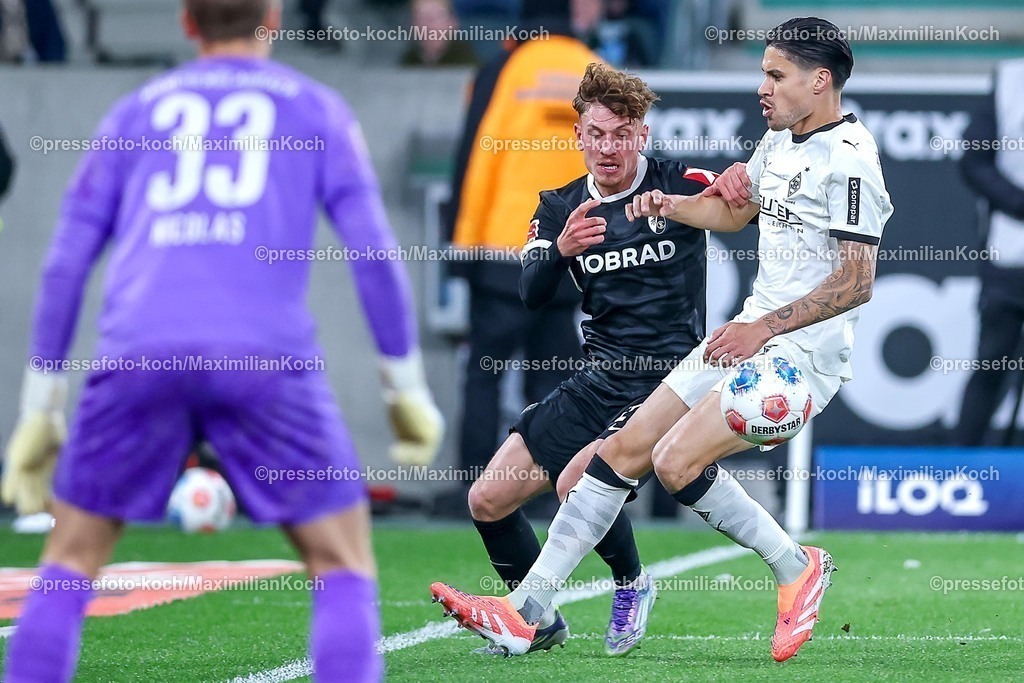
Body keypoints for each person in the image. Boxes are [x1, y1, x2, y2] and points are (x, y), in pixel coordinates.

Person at [0, 1, 443, 681]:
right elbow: (375, 252)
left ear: (186, 22)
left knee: (70, 558)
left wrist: (39, 403)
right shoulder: (314, 107)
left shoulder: (136, 110)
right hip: (263, 359)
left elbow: (65, 260)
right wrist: (403, 384)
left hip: (137, 355)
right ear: (274, 18)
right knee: (341, 560)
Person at [431, 16, 893, 663]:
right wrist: (666, 207)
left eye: (775, 74)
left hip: (799, 358)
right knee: (621, 453)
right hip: (733, 341)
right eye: (763, 71)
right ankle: (526, 609)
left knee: (672, 459)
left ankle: (794, 565)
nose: (762, 86)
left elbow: (856, 280)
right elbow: (732, 211)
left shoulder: (850, 160)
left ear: (820, 81)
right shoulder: (778, 142)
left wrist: (762, 324)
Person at [460, 61, 721, 657]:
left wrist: (740, 188)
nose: (608, 148)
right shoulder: (559, 208)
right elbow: (531, 292)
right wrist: (558, 251)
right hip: (597, 376)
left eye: (621, 134)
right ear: (578, 135)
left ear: (642, 136)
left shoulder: (678, 181)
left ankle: (631, 583)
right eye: (596, 134)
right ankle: (540, 619)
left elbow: (742, 197)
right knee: (487, 499)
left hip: (670, 383)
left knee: (580, 478)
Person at [439, 0, 593, 513]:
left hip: (502, 252)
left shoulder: (503, 69)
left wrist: (457, 248)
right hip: (569, 254)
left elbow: (472, 158)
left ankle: (475, 488)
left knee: (484, 370)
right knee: (553, 377)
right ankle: (545, 493)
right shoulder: (599, 73)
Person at [954, 57, 1024, 446]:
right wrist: (1019, 203)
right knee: (991, 365)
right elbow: (974, 161)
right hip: (1011, 256)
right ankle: (957, 474)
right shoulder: (1012, 79)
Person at [399, 0, 478, 67]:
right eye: (421, 17)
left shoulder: (467, 64)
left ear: (452, 22)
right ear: (412, 24)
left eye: (436, 17)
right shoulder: (407, 62)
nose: (428, 24)